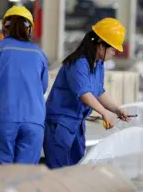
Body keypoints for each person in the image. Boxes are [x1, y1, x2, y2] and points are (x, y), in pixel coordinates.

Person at [43, 18, 130, 169]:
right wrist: (104, 113)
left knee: (76, 170)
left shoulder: (98, 64)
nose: (114, 53)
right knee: (59, 172)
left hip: (76, 125)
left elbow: (98, 92)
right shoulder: (78, 63)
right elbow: (84, 93)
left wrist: (116, 109)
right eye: (113, 49)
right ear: (101, 46)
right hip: (61, 125)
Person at [0, 6, 48, 165]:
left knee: (2, 172)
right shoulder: (39, 53)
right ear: (29, 30)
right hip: (34, 120)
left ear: (4, 28)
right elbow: (42, 87)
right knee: (25, 175)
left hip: (2, 118)